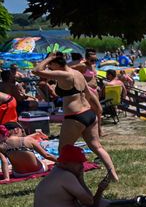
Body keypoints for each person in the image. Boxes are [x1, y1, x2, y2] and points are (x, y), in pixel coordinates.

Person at [33, 52, 118, 181]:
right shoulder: (77, 73)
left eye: (51, 66)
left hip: (75, 117)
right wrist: (98, 111)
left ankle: (63, 179)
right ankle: (113, 175)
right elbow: (89, 94)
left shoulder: (63, 74)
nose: (50, 69)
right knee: (97, 147)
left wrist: (50, 58)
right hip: (89, 114)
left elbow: (36, 71)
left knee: (63, 150)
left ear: (56, 64)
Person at [32, 145, 134, 207]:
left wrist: (98, 189)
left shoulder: (62, 172)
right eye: (78, 163)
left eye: (82, 162)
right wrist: (82, 180)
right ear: (65, 163)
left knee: (103, 203)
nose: (82, 166)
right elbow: (89, 202)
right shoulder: (65, 175)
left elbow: (91, 202)